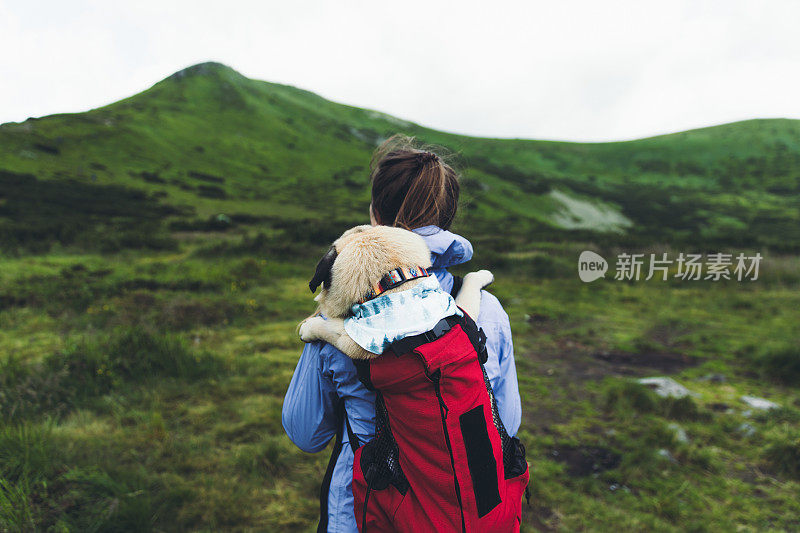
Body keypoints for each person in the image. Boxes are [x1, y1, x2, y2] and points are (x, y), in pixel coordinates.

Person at [282, 135, 522, 532]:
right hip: (467, 512)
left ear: (375, 216)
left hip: (366, 511)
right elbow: (507, 423)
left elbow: (306, 432)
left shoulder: (342, 313)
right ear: (448, 219)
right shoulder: (488, 311)